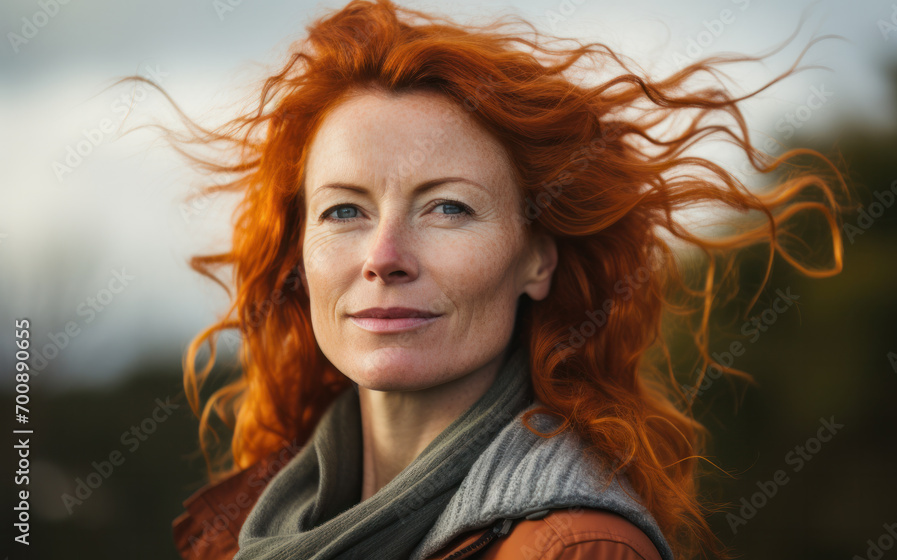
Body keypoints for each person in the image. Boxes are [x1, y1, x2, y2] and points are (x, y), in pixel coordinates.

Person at [156, 0, 853, 558]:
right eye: (344, 210)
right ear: (299, 257)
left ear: (537, 261)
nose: (385, 254)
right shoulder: (247, 527)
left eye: (449, 207)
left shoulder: (577, 550)